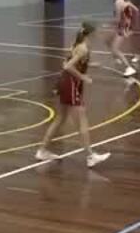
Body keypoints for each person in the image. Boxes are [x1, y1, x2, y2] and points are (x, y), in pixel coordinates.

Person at [35, 22, 110, 168]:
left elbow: (68, 62)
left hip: (66, 83)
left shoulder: (78, 45)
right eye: (96, 32)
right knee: (82, 119)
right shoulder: (83, 48)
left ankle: (42, 151)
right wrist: (83, 77)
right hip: (71, 84)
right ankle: (90, 156)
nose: (98, 34)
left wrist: (92, 66)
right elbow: (68, 66)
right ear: (90, 33)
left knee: (60, 119)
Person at [109, 0, 139, 77]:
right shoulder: (126, 2)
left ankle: (129, 67)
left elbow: (118, 19)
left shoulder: (118, 3)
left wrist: (113, 25)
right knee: (109, 41)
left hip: (122, 27)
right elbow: (136, 10)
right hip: (126, 26)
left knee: (115, 48)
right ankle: (117, 58)